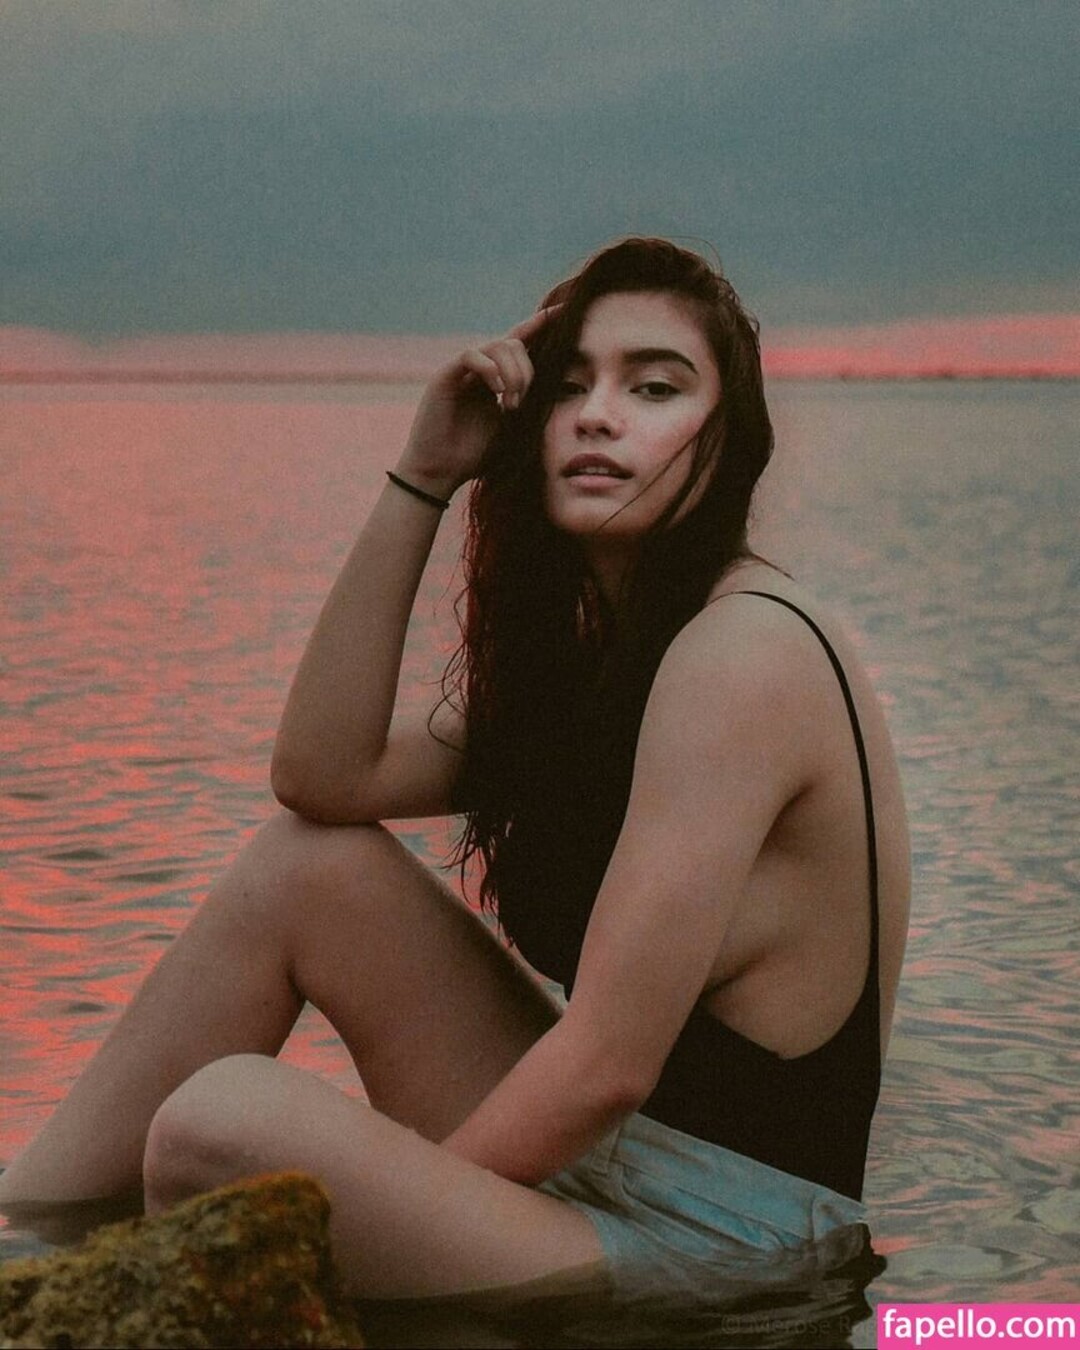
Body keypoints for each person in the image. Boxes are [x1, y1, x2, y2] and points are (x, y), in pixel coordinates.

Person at [0, 238, 910, 1314]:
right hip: (616, 1162)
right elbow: (322, 775)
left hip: (731, 1243)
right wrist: (424, 474)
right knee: (308, 869)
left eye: (654, 388)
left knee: (221, 1126)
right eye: (569, 386)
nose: (597, 416)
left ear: (733, 441)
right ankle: (20, 1250)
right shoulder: (620, 657)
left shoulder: (744, 654)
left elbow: (608, 1063)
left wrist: (406, 1202)